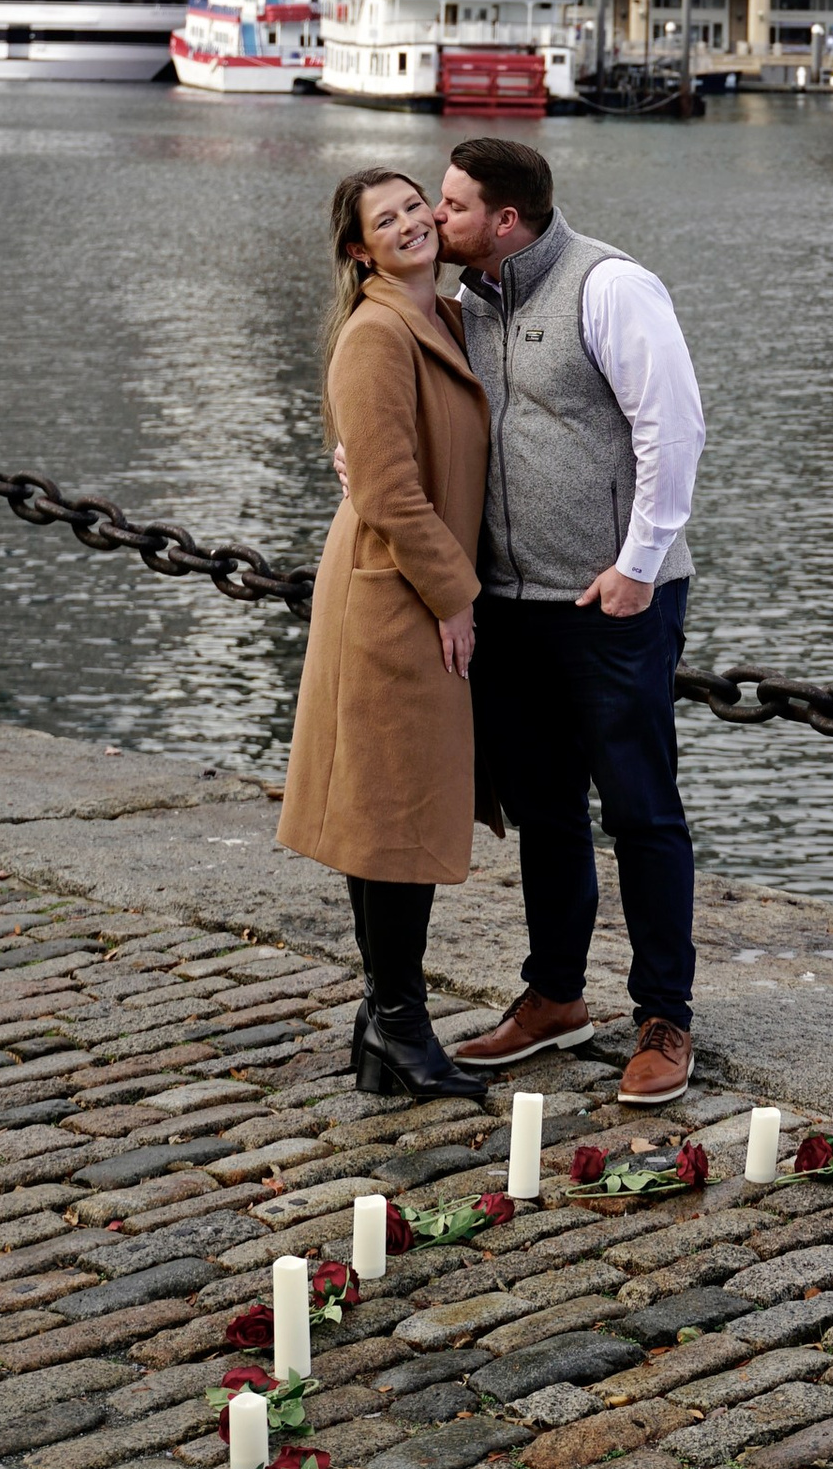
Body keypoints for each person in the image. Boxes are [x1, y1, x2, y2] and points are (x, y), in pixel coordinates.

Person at [432, 133, 706, 1107]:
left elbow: (672, 425)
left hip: (609, 602)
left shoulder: (610, 287)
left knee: (640, 810)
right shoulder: (468, 300)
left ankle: (664, 1016)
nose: (436, 216)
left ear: (505, 220)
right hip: (510, 604)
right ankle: (554, 997)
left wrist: (637, 567)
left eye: (453, 205)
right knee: (545, 813)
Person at [276, 166, 490, 1102]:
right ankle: (399, 1022)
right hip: (395, 593)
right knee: (394, 815)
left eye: (417, 207)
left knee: (395, 810)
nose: (410, 223)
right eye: (387, 219)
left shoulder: (441, 313)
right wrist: (454, 597)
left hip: (409, 583)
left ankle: (385, 1020)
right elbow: (392, 490)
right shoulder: (375, 332)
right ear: (359, 248)